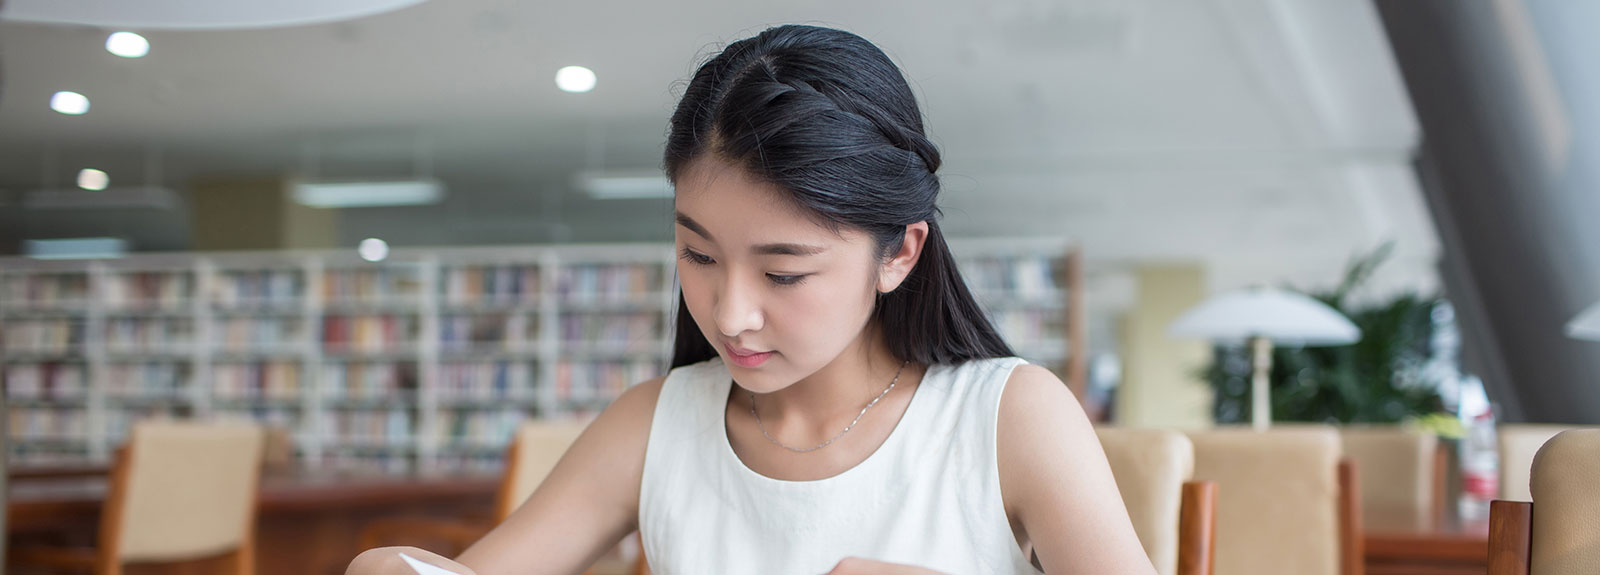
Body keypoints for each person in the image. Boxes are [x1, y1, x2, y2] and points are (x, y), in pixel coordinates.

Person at [348, 24, 1153, 575]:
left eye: (783, 272)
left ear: (899, 251)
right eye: (697, 253)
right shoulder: (656, 420)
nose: (729, 314)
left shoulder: (1007, 415)